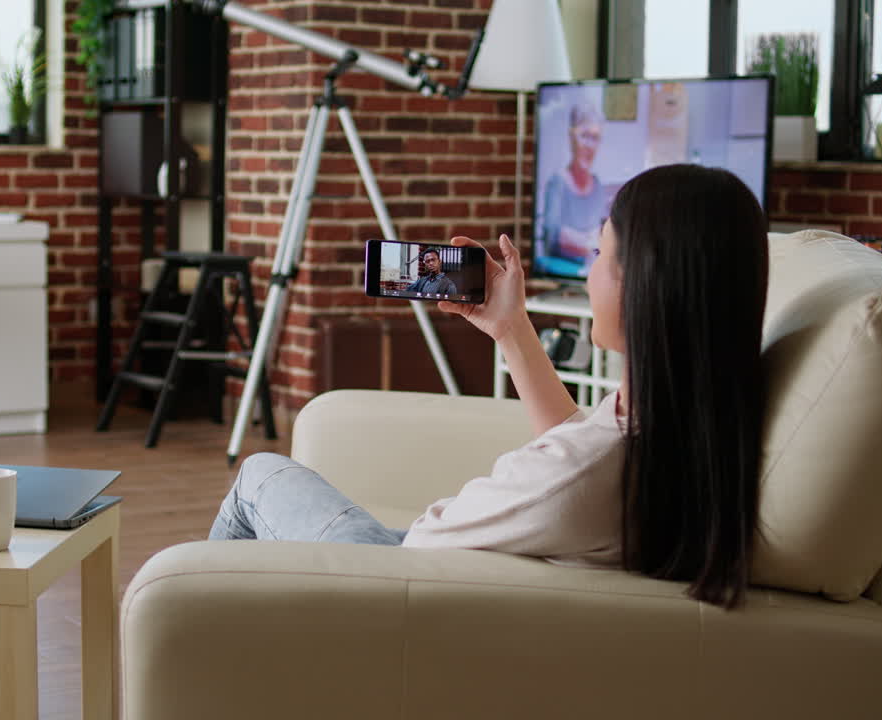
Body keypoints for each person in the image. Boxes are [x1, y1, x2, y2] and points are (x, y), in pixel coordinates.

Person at [210, 164, 769, 609]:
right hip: (462, 580)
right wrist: (511, 327)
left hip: (397, 589)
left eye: (600, 253)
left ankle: (196, 621)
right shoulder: (703, 427)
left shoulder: (581, 472)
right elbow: (584, 455)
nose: (591, 270)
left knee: (262, 474)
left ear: (643, 284)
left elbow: (427, 541)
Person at [535, 102, 611, 277]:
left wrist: (577, 238)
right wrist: (590, 243)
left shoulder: (597, 185)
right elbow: (553, 240)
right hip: (561, 270)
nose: (589, 145)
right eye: (584, 136)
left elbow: (600, 236)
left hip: (593, 271)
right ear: (571, 137)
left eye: (595, 138)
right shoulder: (558, 183)